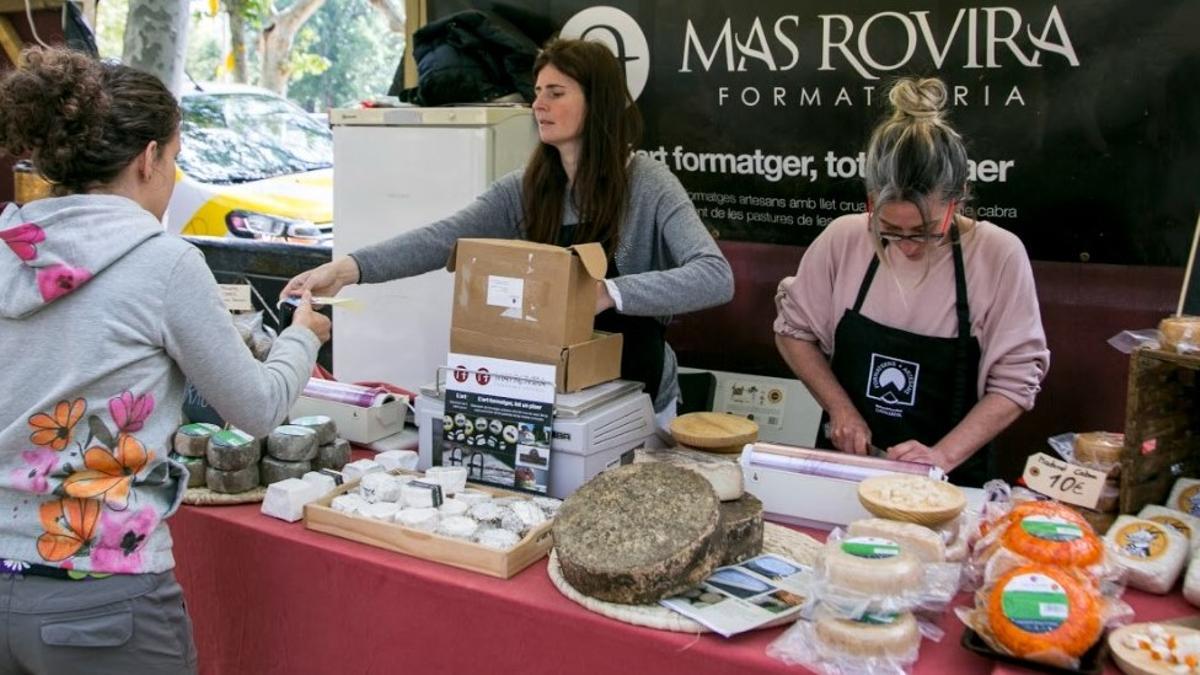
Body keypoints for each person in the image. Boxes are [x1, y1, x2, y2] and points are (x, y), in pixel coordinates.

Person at [0, 48, 330, 673]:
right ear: (149, 157)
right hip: (101, 598)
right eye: (176, 159)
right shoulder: (163, 263)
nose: (173, 176)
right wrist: (302, 337)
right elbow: (258, 408)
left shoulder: (6, 252)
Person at [283, 39, 734, 426]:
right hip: (546, 399)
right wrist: (347, 269)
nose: (539, 104)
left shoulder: (646, 181)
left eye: (556, 92)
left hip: (635, 403)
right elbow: (442, 238)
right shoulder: (524, 190)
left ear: (597, 102)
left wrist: (607, 292)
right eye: (537, 92)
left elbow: (715, 276)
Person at [773, 77, 1049, 487]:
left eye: (924, 231)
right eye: (889, 230)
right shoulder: (844, 239)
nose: (907, 247)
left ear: (957, 201)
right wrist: (840, 410)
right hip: (848, 471)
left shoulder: (998, 255)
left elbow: (1016, 384)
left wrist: (940, 456)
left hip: (949, 483)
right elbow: (793, 333)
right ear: (871, 204)